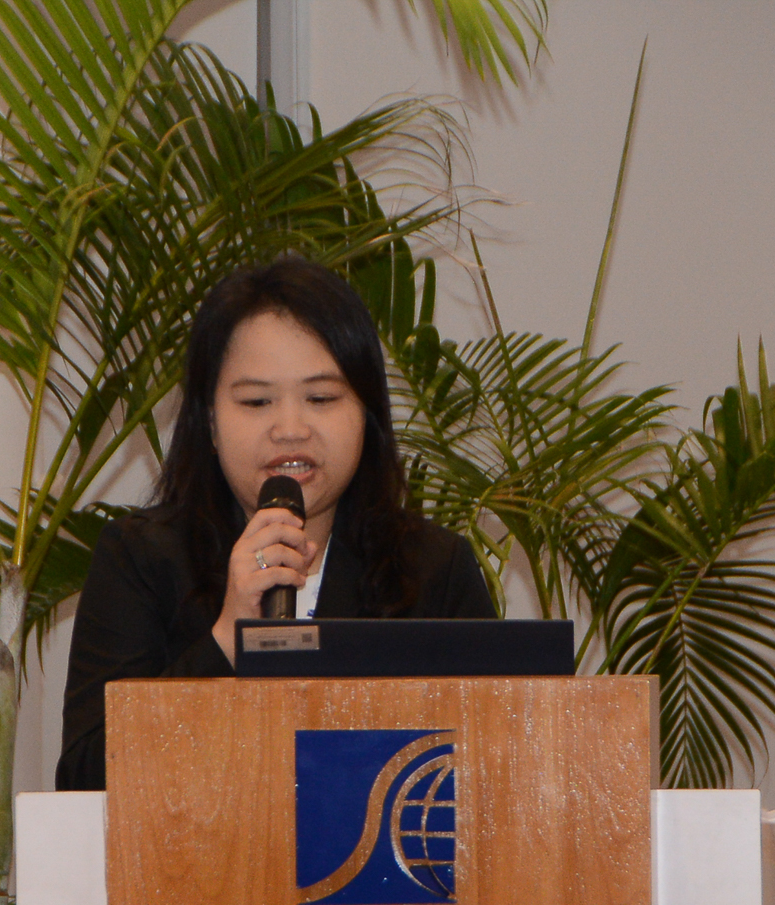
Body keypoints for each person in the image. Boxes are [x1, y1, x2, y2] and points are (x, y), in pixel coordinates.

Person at [54, 257, 495, 791]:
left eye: (321, 398)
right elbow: (83, 779)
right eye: (257, 400)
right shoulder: (140, 560)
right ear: (210, 421)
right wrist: (227, 638)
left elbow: (495, 771)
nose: (290, 428)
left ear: (367, 414)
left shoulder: (433, 569)